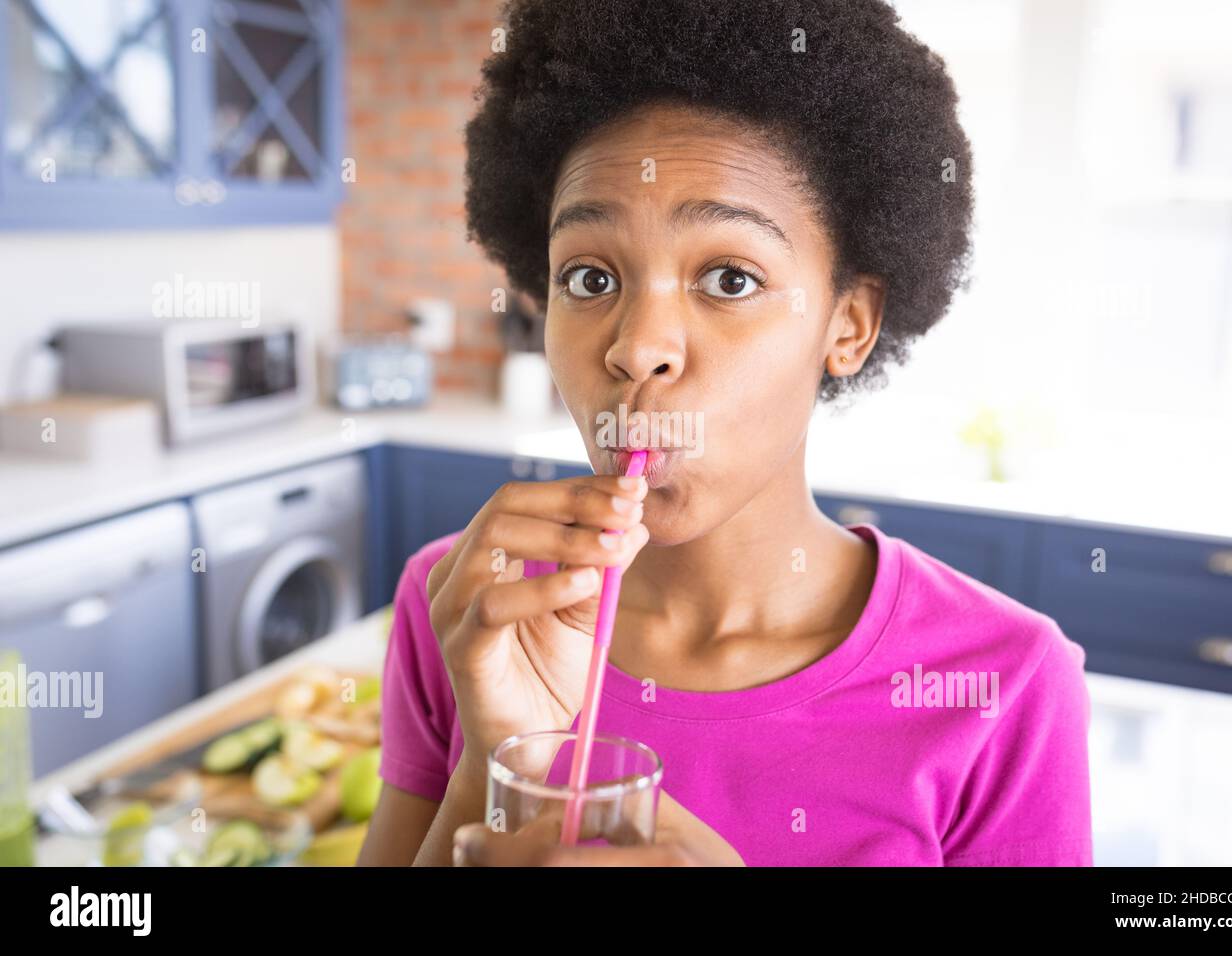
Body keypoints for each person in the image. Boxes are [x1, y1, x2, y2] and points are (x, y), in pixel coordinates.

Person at [358, 0, 1092, 867]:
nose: (636, 348)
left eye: (731, 278)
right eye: (589, 275)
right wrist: (495, 761)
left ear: (847, 324)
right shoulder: (466, 605)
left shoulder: (1003, 682)